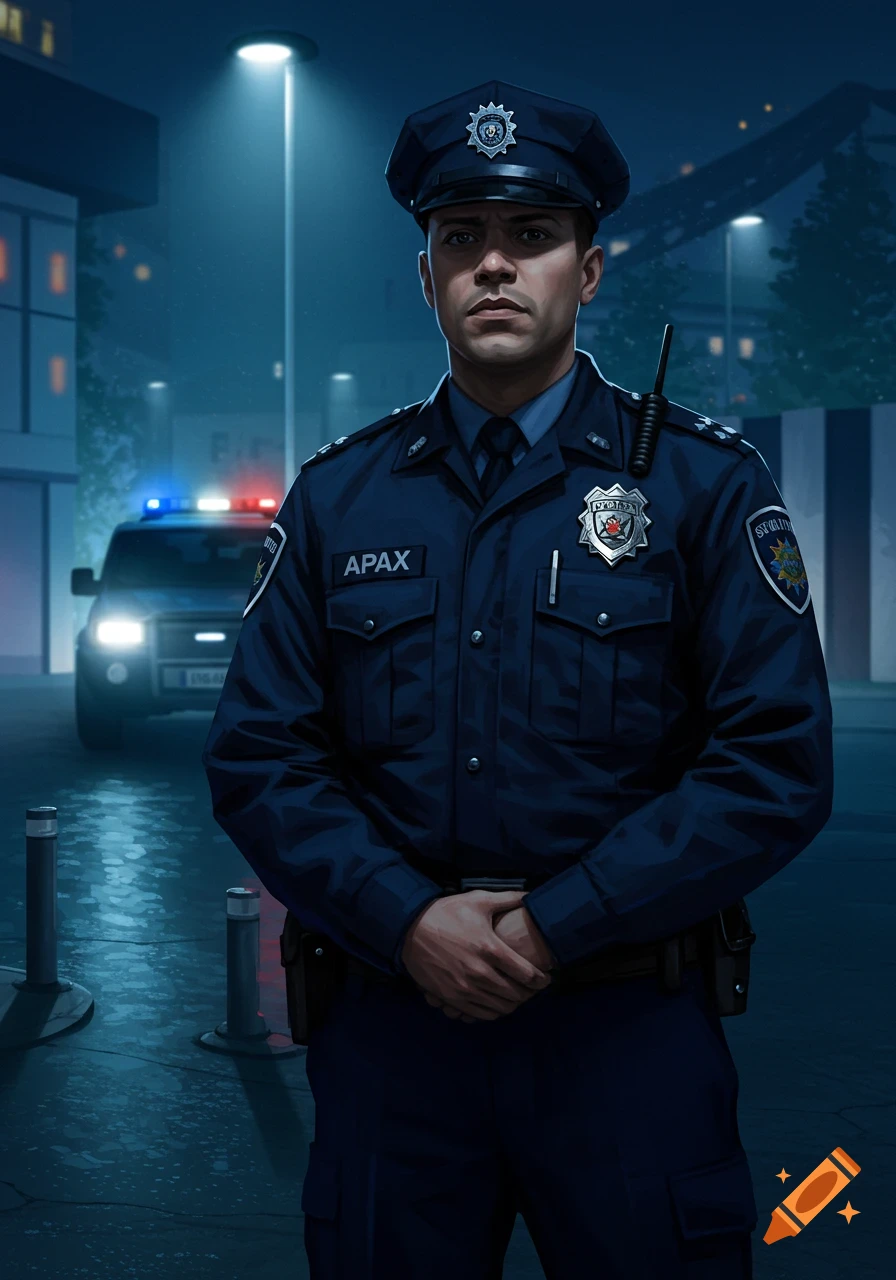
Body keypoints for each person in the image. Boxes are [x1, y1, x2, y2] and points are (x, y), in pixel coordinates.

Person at [202, 79, 834, 1280]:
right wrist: (405, 917)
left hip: (625, 1040)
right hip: (396, 1036)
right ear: (426, 274)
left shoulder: (700, 488)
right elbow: (261, 754)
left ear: (587, 272)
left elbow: (773, 761)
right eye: (461, 240)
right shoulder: (341, 498)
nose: (494, 265)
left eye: (531, 238)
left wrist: (557, 921)